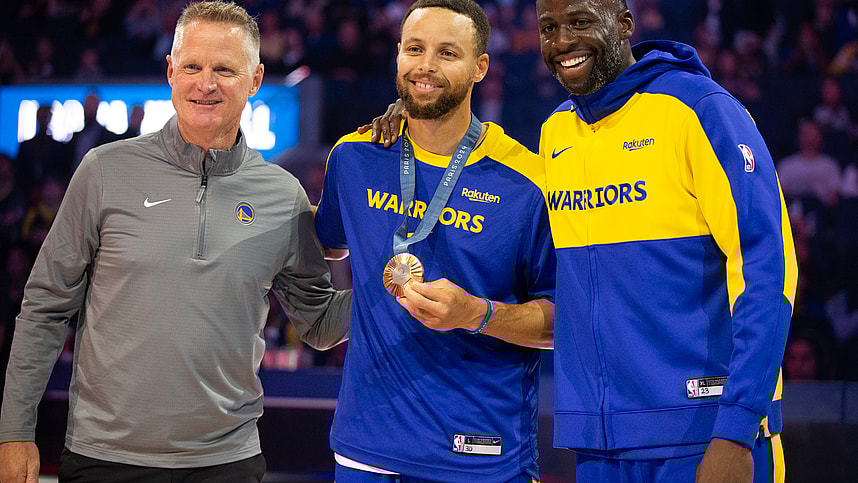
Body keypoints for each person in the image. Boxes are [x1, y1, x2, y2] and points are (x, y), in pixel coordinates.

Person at [364, 1, 797, 481]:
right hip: (599, 443)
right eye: (548, 27)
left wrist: (737, 429)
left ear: (624, 25)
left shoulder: (699, 110)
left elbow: (767, 269)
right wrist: (413, 110)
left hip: (705, 432)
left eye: (581, 22)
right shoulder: (557, 134)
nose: (563, 41)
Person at [0, 1, 351, 482]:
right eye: (192, 66)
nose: (205, 83)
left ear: (254, 78)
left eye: (225, 69)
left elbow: (320, 323)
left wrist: (395, 283)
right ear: (170, 71)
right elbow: (43, 307)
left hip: (226, 464)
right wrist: (14, 432)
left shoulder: (283, 195)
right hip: (105, 460)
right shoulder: (104, 171)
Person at [313, 0, 556, 481]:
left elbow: (561, 321)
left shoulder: (529, 181)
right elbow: (326, 246)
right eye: (414, 49)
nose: (425, 66)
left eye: (447, 53)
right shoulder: (354, 155)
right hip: (366, 451)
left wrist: (476, 315)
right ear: (398, 55)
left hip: (481, 454)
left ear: (479, 67)